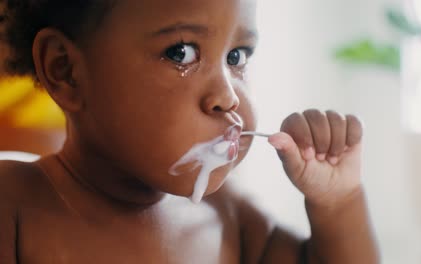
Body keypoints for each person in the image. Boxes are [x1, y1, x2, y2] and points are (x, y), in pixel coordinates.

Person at [0, 0, 379, 263]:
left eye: (237, 57)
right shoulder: (12, 204)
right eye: (181, 53)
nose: (227, 97)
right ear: (66, 70)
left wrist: (337, 202)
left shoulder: (228, 218)